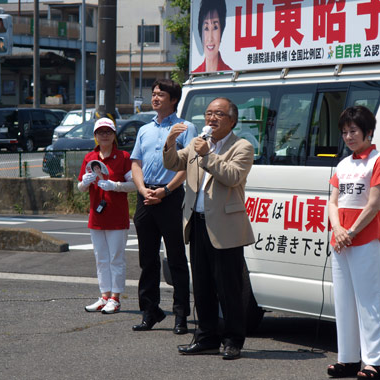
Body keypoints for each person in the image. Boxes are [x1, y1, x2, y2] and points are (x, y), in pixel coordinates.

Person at [163, 97, 255, 360]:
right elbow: (173, 163)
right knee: (202, 286)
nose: (211, 119)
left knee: (229, 287)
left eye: (218, 114)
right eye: (208, 114)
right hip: (197, 222)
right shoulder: (196, 144)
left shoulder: (242, 146)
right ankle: (206, 338)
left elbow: (233, 175)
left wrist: (207, 154)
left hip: (225, 227)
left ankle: (233, 340)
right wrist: (169, 142)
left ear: (232, 120)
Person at [326, 106, 380, 380]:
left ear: (368, 132)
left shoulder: (379, 161)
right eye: (344, 132)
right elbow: (332, 201)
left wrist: (350, 231)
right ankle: (348, 359)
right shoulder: (342, 164)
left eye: (353, 131)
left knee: (369, 300)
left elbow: (374, 204)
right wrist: (339, 229)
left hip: (364, 239)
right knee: (343, 301)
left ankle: (374, 363)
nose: (348, 136)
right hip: (340, 241)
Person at [131, 79, 197, 334]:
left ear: (173, 100)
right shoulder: (144, 129)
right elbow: (135, 162)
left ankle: (181, 315)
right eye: (154, 93)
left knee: (177, 259)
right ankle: (150, 311)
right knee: (147, 260)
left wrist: (166, 190)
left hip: (171, 196)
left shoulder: (185, 128)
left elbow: (189, 164)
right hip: (145, 195)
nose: (155, 98)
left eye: (161, 94)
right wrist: (142, 189)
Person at [79, 117, 136, 314]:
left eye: (108, 132)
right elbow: (80, 187)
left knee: (116, 258)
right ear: (95, 136)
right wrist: (85, 182)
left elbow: (135, 185)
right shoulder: (90, 158)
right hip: (96, 215)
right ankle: (104, 296)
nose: (104, 135)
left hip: (117, 216)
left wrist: (115, 186)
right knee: (100, 258)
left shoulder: (123, 156)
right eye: (100, 132)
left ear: (114, 135)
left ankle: (116, 298)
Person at [192, 0, 232, 73]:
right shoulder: (195, 75)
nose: (210, 39)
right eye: (206, 28)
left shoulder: (230, 73)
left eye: (215, 27)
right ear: (200, 32)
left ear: (221, 30)